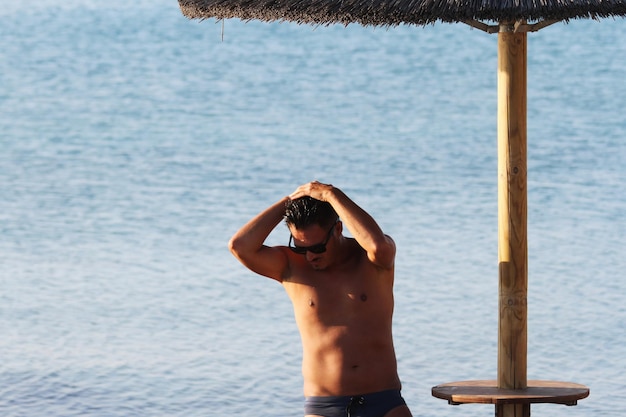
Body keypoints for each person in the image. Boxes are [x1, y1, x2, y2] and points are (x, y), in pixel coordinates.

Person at [228, 181, 412, 417]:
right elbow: (239, 246)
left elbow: (378, 245)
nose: (310, 256)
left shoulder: (371, 261)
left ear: (337, 230)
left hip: (384, 401)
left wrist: (331, 194)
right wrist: (289, 201)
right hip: (324, 406)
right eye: (300, 247)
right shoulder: (290, 266)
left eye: (317, 247)